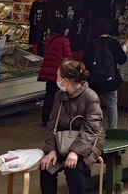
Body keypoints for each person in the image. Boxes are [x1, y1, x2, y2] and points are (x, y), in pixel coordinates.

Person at [39, 59, 105, 194]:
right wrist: (51, 149)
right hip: (62, 141)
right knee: (46, 167)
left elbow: (91, 128)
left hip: (88, 143)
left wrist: (76, 152)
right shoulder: (59, 96)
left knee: (73, 169)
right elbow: (52, 123)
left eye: (58, 77)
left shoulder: (90, 96)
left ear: (66, 80)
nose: (56, 80)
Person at [83, 18, 128, 129]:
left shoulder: (92, 44)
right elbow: (123, 59)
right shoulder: (113, 43)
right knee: (112, 104)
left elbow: (86, 61)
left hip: (95, 81)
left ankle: (95, 128)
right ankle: (113, 129)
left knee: (94, 104)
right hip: (111, 80)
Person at [38, 25, 73, 126]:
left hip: (48, 71)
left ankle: (45, 119)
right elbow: (68, 57)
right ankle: (58, 119)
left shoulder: (49, 39)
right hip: (59, 72)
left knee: (49, 95)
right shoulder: (64, 41)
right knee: (61, 96)